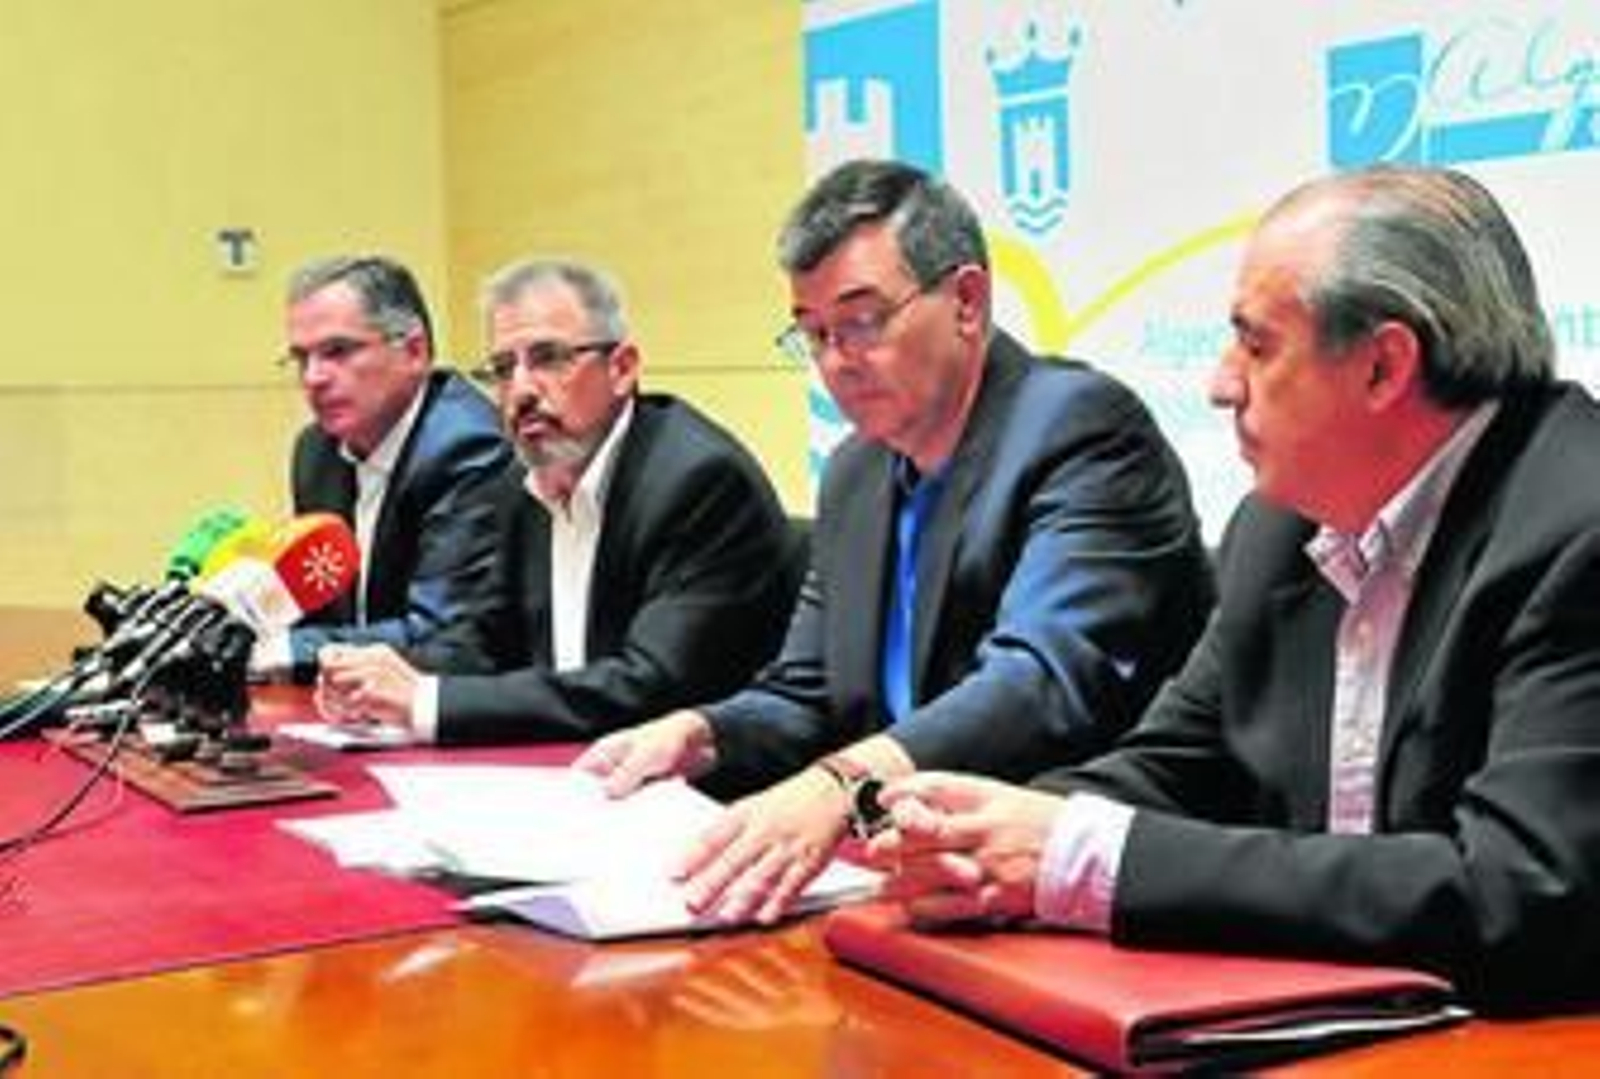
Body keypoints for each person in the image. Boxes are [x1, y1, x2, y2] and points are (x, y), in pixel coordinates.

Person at [870, 164, 1600, 1011]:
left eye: (1256, 346)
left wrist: (1080, 859)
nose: (1220, 383)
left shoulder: (1578, 524)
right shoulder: (1279, 526)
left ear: (1383, 365)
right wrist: (980, 838)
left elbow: (1525, 895)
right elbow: (1179, 764)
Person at [577, 159, 1214, 924]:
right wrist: (704, 733)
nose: (836, 361)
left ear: (967, 301)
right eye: (813, 333)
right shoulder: (855, 471)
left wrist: (844, 786)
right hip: (908, 876)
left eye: (863, 321)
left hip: (1063, 888)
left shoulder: (1081, 429)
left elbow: (1040, 680)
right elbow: (808, 691)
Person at [314, 258, 801, 744]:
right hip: (565, 768)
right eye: (503, 369)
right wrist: (380, 680)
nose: (521, 390)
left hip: (693, 779)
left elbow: (651, 688)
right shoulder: (520, 483)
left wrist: (427, 701)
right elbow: (483, 643)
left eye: (549, 358)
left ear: (622, 368)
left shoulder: (696, 481)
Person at [263, 255, 514, 681]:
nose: (313, 378)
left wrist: (284, 650)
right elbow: (315, 604)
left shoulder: (468, 448)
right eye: (301, 358)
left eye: (338, 351)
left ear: (414, 351)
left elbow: (442, 634)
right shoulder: (317, 452)